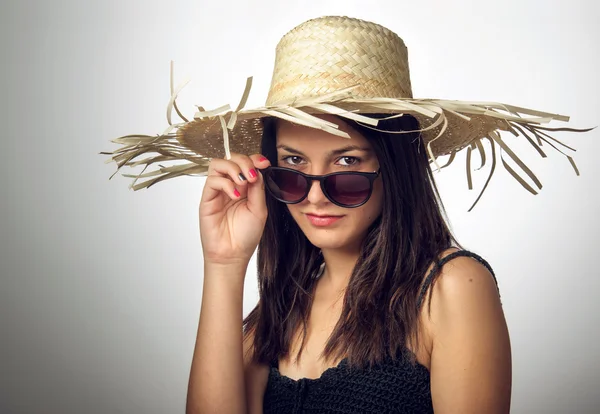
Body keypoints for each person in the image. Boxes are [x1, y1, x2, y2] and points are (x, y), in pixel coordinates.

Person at [104, 15, 589, 414]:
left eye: (347, 165)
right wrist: (224, 263)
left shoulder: (450, 288)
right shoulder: (279, 311)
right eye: (293, 167)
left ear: (393, 168)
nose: (315, 197)